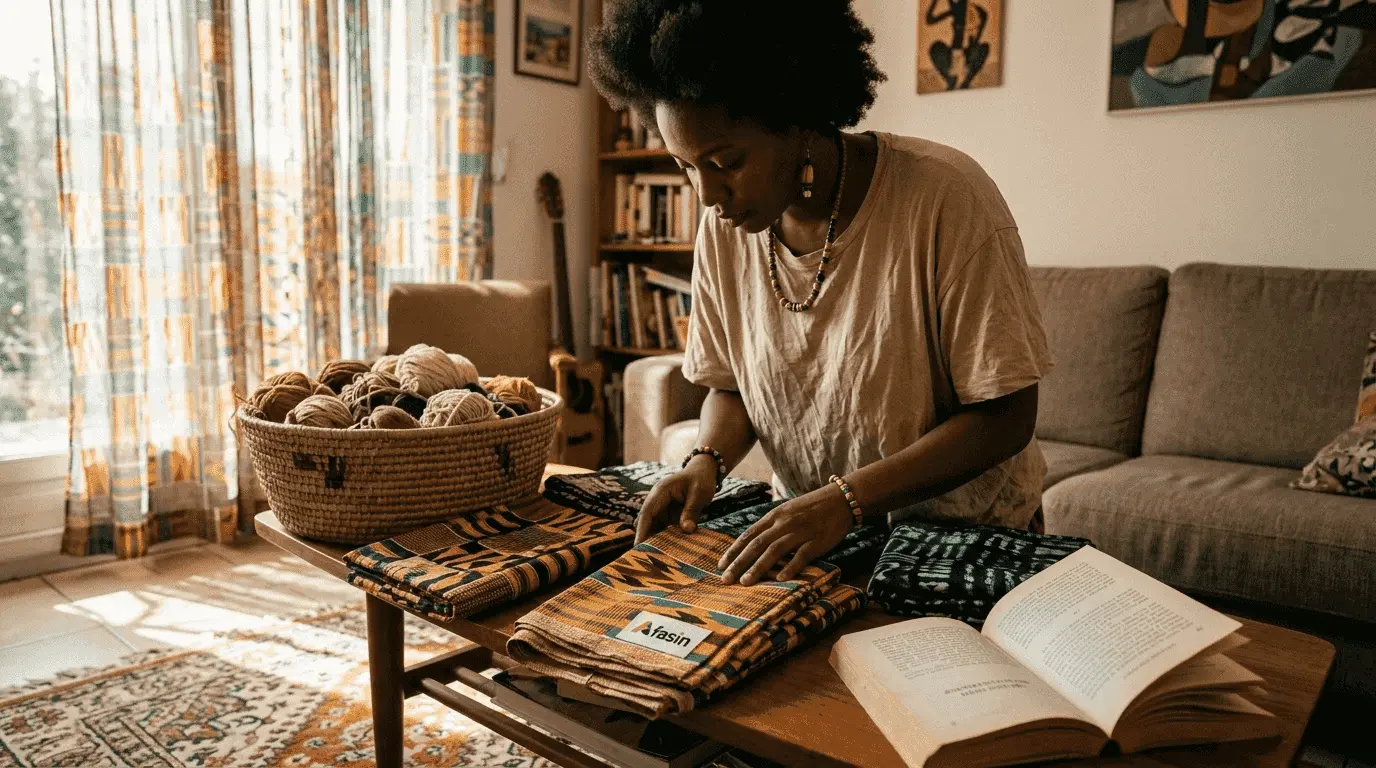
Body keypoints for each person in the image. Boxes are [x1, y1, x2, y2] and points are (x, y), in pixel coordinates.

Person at [587, 0, 1052, 587]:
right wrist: (706, 460)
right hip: (820, 543)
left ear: (798, 118)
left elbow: (1007, 415)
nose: (706, 194)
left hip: (970, 543)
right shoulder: (724, 228)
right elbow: (730, 388)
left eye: (725, 162)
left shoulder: (946, 198)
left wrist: (847, 501)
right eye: (685, 167)